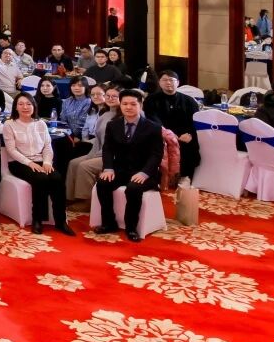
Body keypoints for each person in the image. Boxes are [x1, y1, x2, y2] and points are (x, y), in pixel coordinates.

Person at [94, 89, 164, 242]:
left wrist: (144, 173)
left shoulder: (153, 127)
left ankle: (131, 228)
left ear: (141, 105)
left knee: (133, 189)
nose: (128, 107)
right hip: (120, 169)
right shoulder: (113, 125)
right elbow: (108, 149)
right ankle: (109, 223)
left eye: (133, 104)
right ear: (120, 105)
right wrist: (108, 168)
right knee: (102, 183)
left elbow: (156, 155)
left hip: (144, 172)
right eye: (125, 104)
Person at [3, 93, 73, 236]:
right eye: (21, 104)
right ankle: (38, 219)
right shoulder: (9, 124)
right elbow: (11, 150)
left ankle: (61, 221)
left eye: (28, 104)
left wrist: (47, 162)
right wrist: (29, 163)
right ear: (16, 107)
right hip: (19, 162)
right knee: (40, 179)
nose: (25, 107)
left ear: (34, 106)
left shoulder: (40, 124)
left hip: (41, 160)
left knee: (57, 178)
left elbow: (47, 146)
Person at [143, 70, 200, 178]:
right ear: (159, 83)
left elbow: (195, 120)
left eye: (171, 80)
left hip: (184, 135)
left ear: (178, 82)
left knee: (190, 146)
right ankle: (163, 179)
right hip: (162, 135)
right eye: (164, 80)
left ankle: (186, 178)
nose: (168, 82)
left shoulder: (189, 101)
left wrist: (190, 133)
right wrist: (168, 134)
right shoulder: (151, 100)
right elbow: (152, 119)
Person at [68, 84, 118, 202]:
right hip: (99, 151)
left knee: (84, 166)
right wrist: (91, 155)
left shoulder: (122, 116)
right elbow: (98, 140)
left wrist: (96, 155)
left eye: (114, 96)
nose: (110, 98)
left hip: (113, 155)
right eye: (108, 96)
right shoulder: (104, 114)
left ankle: (86, 200)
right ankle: (70, 197)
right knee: (73, 163)